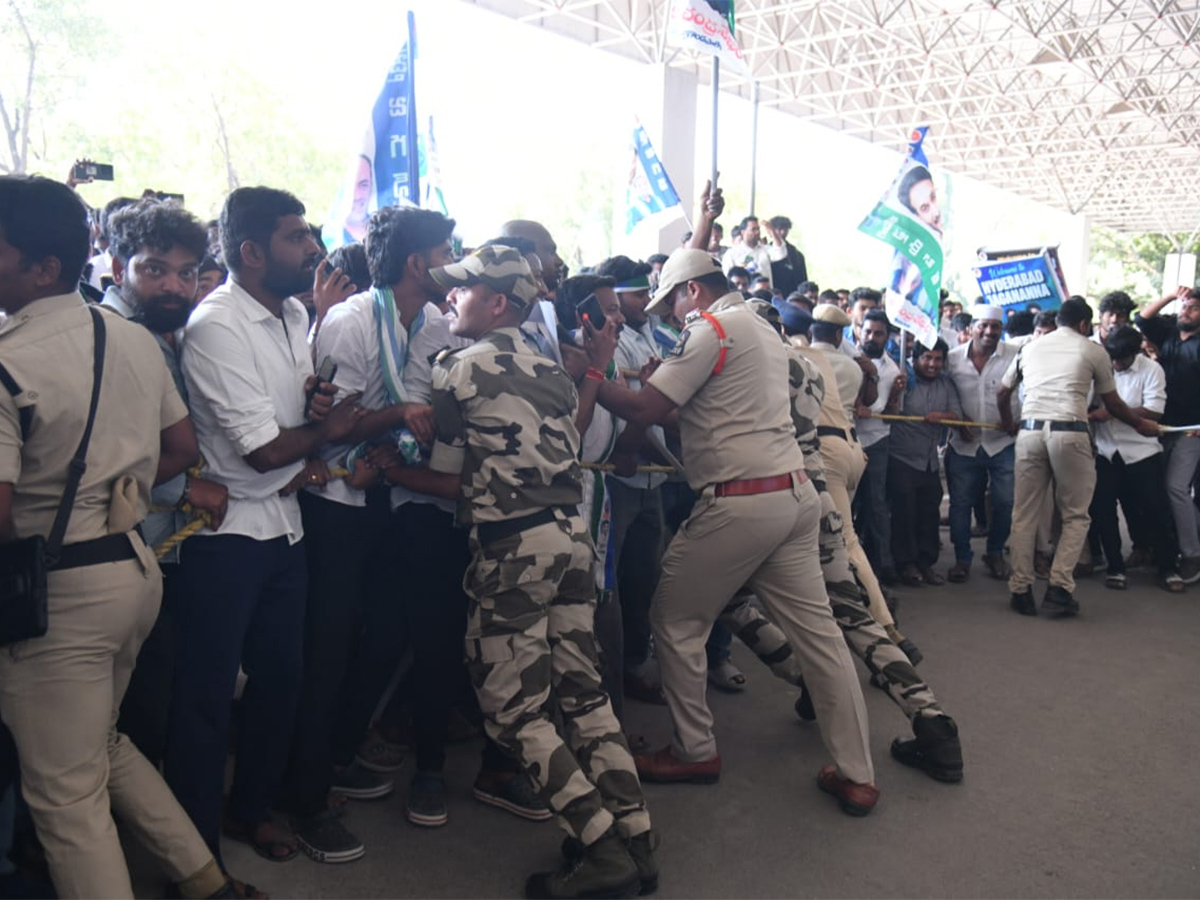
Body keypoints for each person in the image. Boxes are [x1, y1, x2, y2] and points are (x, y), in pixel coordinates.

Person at [0, 174, 245, 900]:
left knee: (66, 799)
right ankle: (206, 881)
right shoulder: (133, 339)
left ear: (42, 267)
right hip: (133, 572)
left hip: (56, 598)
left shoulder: (9, 360)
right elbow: (181, 446)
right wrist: (117, 490)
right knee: (104, 746)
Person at [597, 249, 878, 818]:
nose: (671, 315)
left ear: (693, 291)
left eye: (673, 303)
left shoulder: (711, 329)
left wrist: (589, 371)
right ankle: (858, 776)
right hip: (791, 495)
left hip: (741, 501)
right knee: (821, 638)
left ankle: (694, 750)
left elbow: (646, 407)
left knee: (675, 619)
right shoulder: (761, 329)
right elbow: (697, 415)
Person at [418, 246, 656, 899]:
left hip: (513, 549)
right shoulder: (552, 370)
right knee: (582, 693)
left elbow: (446, 473)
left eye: (462, 290)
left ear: (496, 302)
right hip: (570, 541)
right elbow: (571, 441)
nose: (450, 298)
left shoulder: (457, 367)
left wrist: (385, 467)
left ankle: (600, 845)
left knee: (513, 708)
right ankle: (637, 835)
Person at [167, 187, 366, 865]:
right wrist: (328, 431)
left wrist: (315, 406)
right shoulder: (217, 325)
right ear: (251, 252)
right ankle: (196, 859)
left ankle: (249, 809)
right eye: (296, 237)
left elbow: (294, 422)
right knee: (206, 698)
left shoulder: (292, 312)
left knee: (283, 678)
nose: (312, 248)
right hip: (225, 535)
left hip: (283, 524)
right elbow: (262, 451)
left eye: (309, 234)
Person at [103, 199, 229, 769]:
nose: (174, 286)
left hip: (162, 550)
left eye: (186, 272)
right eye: (155, 269)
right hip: (118, 552)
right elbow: (102, 459)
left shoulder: (167, 334)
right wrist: (183, 492)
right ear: (118, 268)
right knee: (131, 710)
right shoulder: (111, 339)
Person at [999, 298, 1161, 616]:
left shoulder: (1029, 348)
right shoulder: (1092, 350)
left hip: (1029, 433)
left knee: (1024, 514)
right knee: (1075, 515)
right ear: (1085, 325)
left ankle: (1020, 590)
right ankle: (1059, 590)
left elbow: (1002, 392)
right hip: (1070, 433)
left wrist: (1008, 423)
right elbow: (1113, 404)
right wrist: (1140, 424)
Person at [594, 256, 670, 707]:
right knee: (610, 587)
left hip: (651, 480)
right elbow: (639, 410)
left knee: (644, 580)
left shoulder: (650, 334)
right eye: (638, 294)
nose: (645, 302)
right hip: (617, 479)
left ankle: (634, 667)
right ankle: (607, 686)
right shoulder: (607, 345)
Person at [1088, 326, 1183, 592]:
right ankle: (1115, 567)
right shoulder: (1099, 366)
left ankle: (1168, 568)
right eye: (1113, 358)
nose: (1116, 364)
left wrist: (1113, 412)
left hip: (1141, 451)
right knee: (1104, 512)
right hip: (1106, 450)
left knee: (1155, 510)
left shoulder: (1152, 370)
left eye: (1122, 359)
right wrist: (1097, 413)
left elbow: (1154, 411)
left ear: (1136, 352)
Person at [944, 304, 1019, 582]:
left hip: (1003, 443)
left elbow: (1030, 390)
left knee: (1005, 502)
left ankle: (995, 552)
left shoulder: (1016, 356)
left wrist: (1019, 419)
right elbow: (945, 392)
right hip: (963, 444)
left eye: (995, 326)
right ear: (971, 328)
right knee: (960, 504)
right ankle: (962, 559)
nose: (989, 331)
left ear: (1001, 329)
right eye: (983, 326)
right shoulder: (952, 359)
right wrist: (957, 421)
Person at [1133, 286, 1200, 582]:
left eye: (1193, 308)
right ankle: (1167, 547)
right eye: (1185, 306)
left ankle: (1191, 555)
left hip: (1190, 431)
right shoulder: (1169, 334)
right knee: (1159, 489)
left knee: (1176, 488)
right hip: (1159, 428)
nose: (1186, 311)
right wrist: (1172, 296)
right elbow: (1142, 319)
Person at [887, 339, 962, 586]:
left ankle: (925, 563)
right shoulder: (903, 380)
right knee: (904, 514)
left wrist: (941, 416)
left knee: (929, 513)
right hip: (902, 458)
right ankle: (905, 564)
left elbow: (957, 415)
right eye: (927, 358)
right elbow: (889, 414)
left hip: (930, 461)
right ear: (916, 359)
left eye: (938, 359)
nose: (932, 364)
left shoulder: (946, 384)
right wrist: (895, 392)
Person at [853, 309, 902, 582]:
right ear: (859, 331)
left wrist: (870, 379)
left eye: (878, 333)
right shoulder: (846, 356)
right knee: (847, 504)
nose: (871, 337)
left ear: (887, 337)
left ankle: (884, 564)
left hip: (875, 441)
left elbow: (878, 408)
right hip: (846, 439)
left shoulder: (890, 369)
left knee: (876, 504)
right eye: (868, 331)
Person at [720, 215, 773, 287]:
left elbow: (781, 253)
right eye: (753, 229)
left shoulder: (767, 250)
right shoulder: (732, 254)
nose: (757, 232)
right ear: (743, 232)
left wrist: (772, 231)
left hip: (764, 292)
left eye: (758, 229)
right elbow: (727, 277)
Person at [762, 215, 807, 296]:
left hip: (792, 294)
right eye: (779, 229)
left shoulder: (796, 254)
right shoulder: (766, 251)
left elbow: (802, 280)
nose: (782, 232)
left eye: (785, 229)